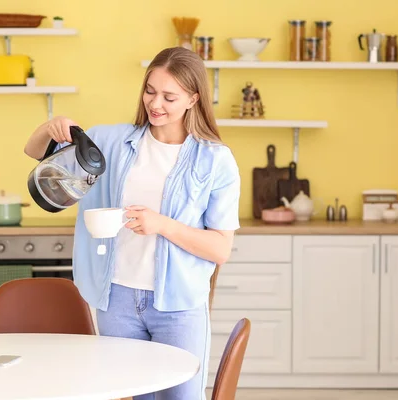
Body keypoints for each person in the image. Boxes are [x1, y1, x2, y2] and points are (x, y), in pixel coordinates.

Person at [24, 46, 241, 400]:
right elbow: (36, 154)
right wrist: (49, 129)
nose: (156, 103)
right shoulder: (110, 141)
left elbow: (220, 249)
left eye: (170, 96)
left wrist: (162, 225)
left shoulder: (215, 160)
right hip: (117, 298)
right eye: (150, 91)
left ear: (193, 98)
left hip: (179, 307)